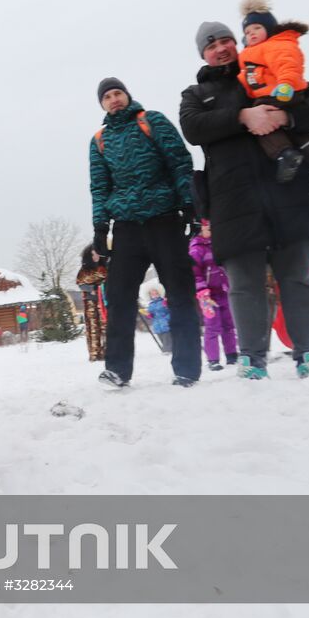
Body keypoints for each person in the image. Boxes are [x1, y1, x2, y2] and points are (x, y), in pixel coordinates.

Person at [180, 22, 309, 380]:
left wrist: (286, 115)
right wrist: (241, 116)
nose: (221, 48)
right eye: (212, 45)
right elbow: (192, 127)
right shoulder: (196, 94)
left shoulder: (265, 68)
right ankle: (252, 359)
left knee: (297, 277)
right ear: (203, 54)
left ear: (236, 44)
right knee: (244, 285)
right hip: (234, 201)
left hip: (288, 192)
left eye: (226, 41)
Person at [89, 77, 201, 388]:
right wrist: (100, 227)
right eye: (107, 97)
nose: (114, 99)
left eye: (118, 93)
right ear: (102, 104)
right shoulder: (99, 140)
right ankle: (117, 369)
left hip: (163, 219)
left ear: (127, 95)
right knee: (118, 296)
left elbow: (180, 162)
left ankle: (187, 368)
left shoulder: (151, 121)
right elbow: (99, 187)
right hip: (127, 227)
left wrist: (189, 205)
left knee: (179, 292)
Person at [236, 0, 309, 186]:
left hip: (281, 92)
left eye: (257, 28)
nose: (252, 34)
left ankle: (285, 154)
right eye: (247, 31)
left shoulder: (275, 45)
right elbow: (248, 77)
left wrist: (286, 85)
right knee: (295, 130)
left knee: (262, 124)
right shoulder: (253, 52)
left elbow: (288, 65)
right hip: (275, 93)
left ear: (270, 29)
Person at [189, 219, 238, 371]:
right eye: (208, 229)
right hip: (207, 296)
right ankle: (213, 359)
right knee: (212, 326)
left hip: (224, 291)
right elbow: (195, 273)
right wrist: (202, 290)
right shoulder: (197, 249)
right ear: (201, 229)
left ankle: (232, 354)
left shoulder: (220, 244)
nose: (212, 232)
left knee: (229, 325)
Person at [75, 244, 107, 362]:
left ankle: (107, 352)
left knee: (106, 326)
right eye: (93, 254)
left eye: (97, 254)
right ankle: (95, 353)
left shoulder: (106, 267)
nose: (95, 256)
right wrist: (92, 288)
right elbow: (80, 284)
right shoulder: (84, 270)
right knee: (93, 327)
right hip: (91, 302)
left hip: (105, 301)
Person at [145, 287, 172, 353]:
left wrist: (167, 318)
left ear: (159, 293)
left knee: (167, 339)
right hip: (157, 325)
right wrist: (149, 315)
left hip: (165, 324)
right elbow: (151, 314)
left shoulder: (164, 302)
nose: (154, 295)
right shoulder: (151, 305)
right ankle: (167, 350)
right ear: (150, 295)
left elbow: (170, 311)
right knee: (161, 338)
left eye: (156, 293)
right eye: (152, 294)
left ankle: (168, 350)